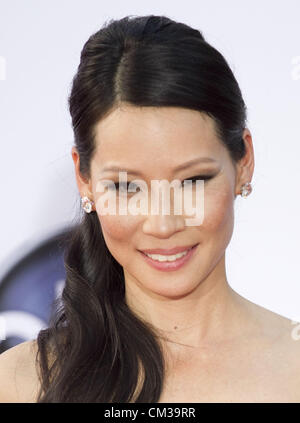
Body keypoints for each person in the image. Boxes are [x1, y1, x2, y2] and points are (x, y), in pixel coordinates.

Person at [1, 14, 300, 403]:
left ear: (244, 163)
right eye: (126, 186)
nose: (162, 223)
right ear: (84, 179)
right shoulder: (18, 384)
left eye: (192, 181)